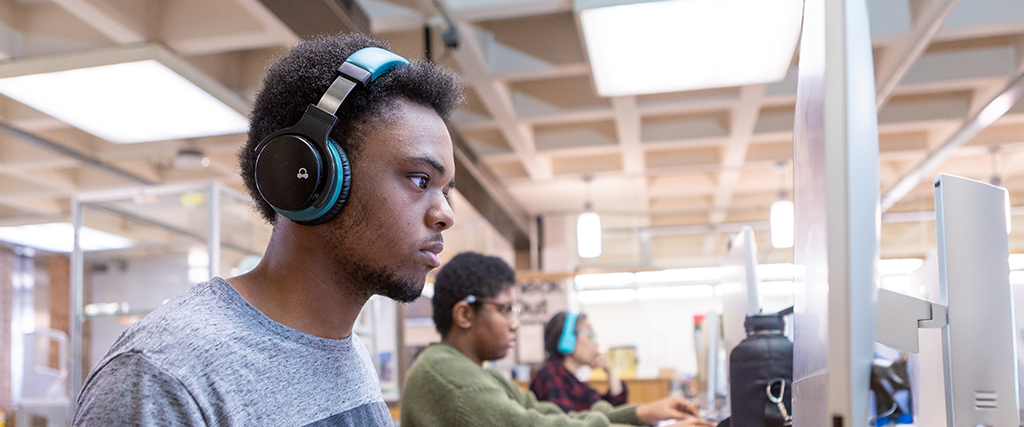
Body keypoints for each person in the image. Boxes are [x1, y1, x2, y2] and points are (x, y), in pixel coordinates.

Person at [73, 33, 463, 426]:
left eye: (445, 191)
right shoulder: (165, 376)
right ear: (310, 175)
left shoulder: (345, 352)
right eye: (420, 180)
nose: (445, 215)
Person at [401, 251, 716, 427]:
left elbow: (551, 416)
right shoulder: (453, 380)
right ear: (465, 315)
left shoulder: (473, 372)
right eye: (505, 310)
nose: (515, 324)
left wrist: (643, 413)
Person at [531, 311, 628, 413]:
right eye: (589, 335)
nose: (596, 344)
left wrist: (610, 371)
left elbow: (614, 413)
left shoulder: (574, 382)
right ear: (568, 341)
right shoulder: (551, 376)